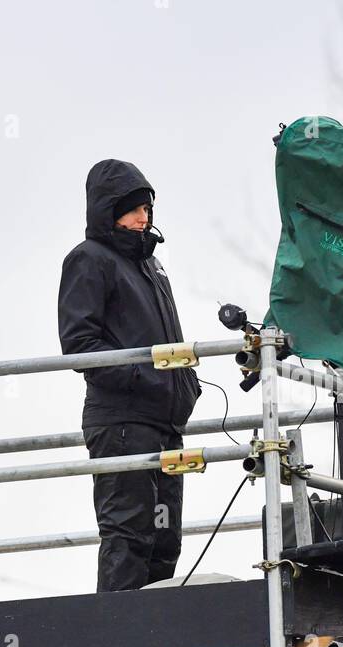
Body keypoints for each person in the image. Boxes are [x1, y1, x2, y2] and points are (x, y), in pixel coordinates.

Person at [57, 159, 200, 592]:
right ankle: (117, 644)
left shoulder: (152, 266)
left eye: (147, 209)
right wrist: (149, 378)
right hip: (122, 423)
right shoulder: (89, 260)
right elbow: (80, 345)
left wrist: (185, 386)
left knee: (164, 543)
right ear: (108, 211)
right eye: (133, 209)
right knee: (128, 539)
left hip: (166, 426)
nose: (144, 218)